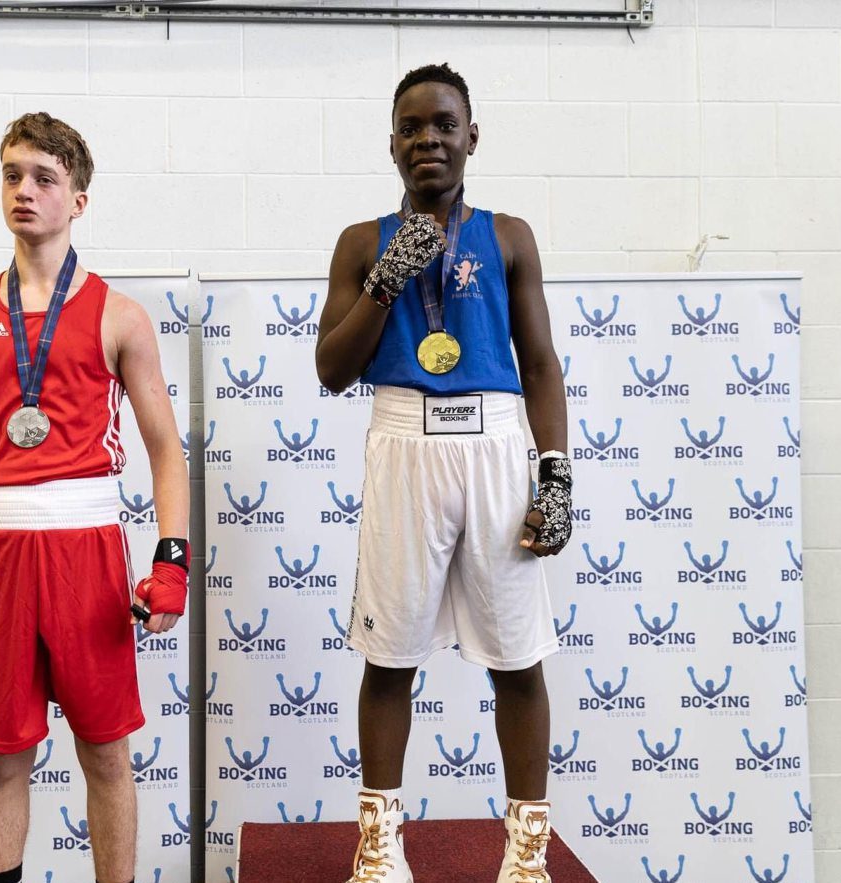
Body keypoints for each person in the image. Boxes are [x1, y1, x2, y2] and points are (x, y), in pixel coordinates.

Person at [0, 112, 189, 883]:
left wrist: (174, 559)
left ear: (78, 200)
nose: (24, 190)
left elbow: (165, 448)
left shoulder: (120, 315)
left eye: (44, 178)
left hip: (87, 547)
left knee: (106, 754)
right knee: (2, 759)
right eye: (12, 174)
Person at [316, 63, 574, 883]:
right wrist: (387, 280)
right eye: (412, 127)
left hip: (496, 442)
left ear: (471, 136)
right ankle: (380, 844)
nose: (429, 138)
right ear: (392, 144)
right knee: (390, 655)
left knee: (518, 656)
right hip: (404, 439)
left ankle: (526, 852)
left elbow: (539, 364)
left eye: (443, 124)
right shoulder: (362, 240)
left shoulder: (508, 235)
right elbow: (331, 368)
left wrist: (556, 476)